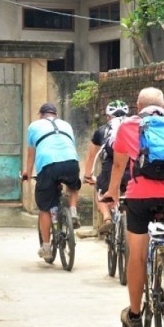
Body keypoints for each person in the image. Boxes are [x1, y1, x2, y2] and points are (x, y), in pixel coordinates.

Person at [102, 87, 164, 327]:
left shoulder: (129, 126)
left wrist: (112, 192)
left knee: (138, 256)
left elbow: (119, 165)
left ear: (137, 105)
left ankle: (134, 314)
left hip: (141, 196)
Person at [21, 102, 82, 262]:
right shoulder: (66, 125)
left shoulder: (34, 126)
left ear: (41, 115)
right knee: (73, 186)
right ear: (55, 114)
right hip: (71, 162)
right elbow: (70, 146)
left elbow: (31, 154)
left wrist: (27, 172)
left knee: (45, 208)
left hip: (48, 165)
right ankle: (73, 211)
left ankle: (47, 246)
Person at [82, 100, 131, 235]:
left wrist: (87, 176)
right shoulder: (135, 127)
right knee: (129, 193)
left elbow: (91, 156)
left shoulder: (102, 130)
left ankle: (107, 218)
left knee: (100, 190)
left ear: (108, 116)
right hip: (133, 167)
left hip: (111, 168)